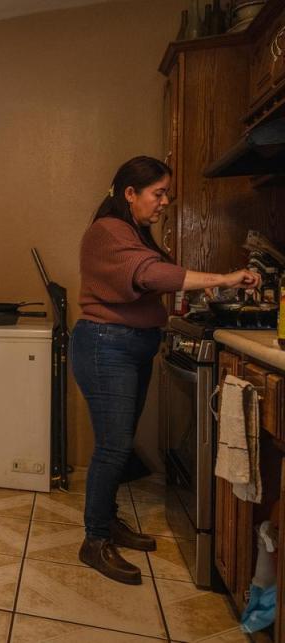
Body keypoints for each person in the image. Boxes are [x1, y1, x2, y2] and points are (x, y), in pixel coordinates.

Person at [72, 156, 259, 585]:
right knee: (112, 448)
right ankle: (94, 540)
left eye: (166, 194)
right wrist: (225, 277)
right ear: (130, 194)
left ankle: (108, 521)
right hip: (106, 345)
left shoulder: (132, 231)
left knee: (117, 444)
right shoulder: (108, 231)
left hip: (128, 345)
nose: (165, 202)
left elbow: (154, 274)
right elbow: (150, 274)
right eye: (158, 193)